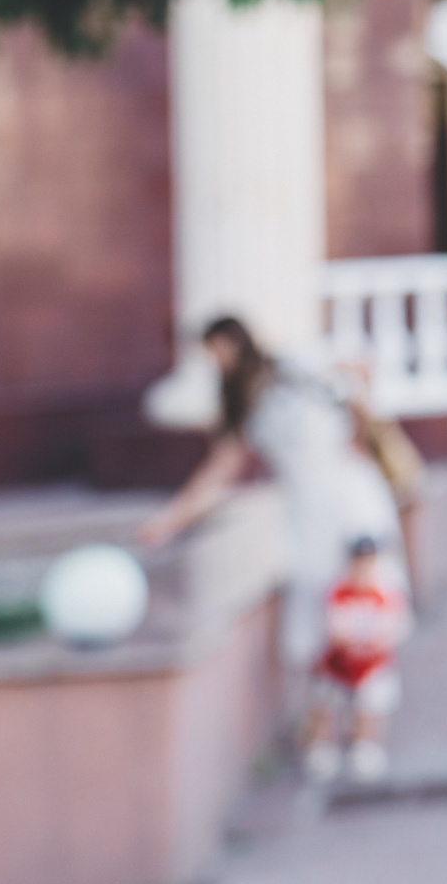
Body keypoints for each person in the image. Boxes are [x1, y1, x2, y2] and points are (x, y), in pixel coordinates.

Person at [136, 316, 407, 691]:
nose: (215, 361)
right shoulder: (244, 402)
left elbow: (360, 368)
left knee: (368, 603)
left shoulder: (295, 363)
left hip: (351, 492)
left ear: (230, 343)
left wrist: (359, 427)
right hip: (307, 510)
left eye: (215, 351)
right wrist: (169, 521)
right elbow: (219, 470)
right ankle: (321, 723)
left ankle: (365, 726)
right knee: (316, 610)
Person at [302, 535, 412, 783]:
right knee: (327, 703)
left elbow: (394, 629)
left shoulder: (385, 594)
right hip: (339, 665)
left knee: (369, 705)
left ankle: (364, 745)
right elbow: (333, 629)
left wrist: (375, 640)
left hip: (371, 665)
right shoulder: (338, 592)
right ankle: (323, 746)